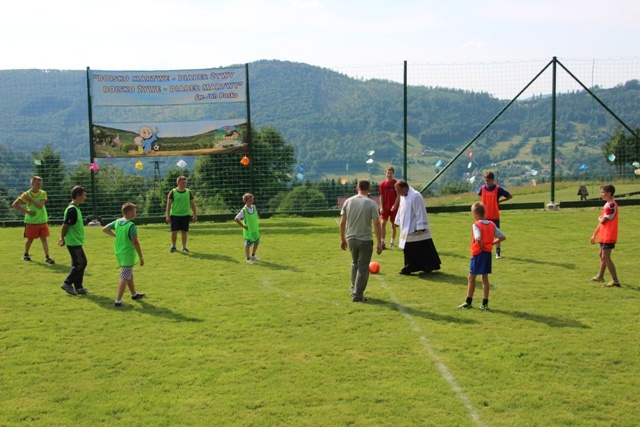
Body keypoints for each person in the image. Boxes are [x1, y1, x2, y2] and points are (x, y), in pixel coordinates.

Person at [340, 180, 383, 302]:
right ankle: (358, 295)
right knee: (363, 267)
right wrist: (380, 243)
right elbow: (376, 223)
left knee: (355, 264)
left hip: (351, 239)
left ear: (356, 188)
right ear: (369, 190)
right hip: (365, 240)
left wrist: (343, 239)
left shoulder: (348, 202)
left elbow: (342, 222)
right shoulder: (371, 203)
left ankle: (354, 289)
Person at [458, 202, 506, 310]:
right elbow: (502, 236)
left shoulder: (476, 225)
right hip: (487, 253)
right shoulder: (491, 224)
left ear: (475, 213)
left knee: (471, 277)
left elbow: (478, 238)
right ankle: (485, 303)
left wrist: (482, 246)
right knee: (485, 278)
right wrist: (491, 243)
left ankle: (468, 301)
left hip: (478, 253)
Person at [102, 202, 146, 307]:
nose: (136, 214)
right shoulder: (131, 226)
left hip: (119, 252)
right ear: (130, 212)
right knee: (125, 276)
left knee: (129, 273)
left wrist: (115, 235)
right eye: (135, 212)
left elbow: (105, 229)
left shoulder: (117, 222)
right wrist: (141, 257)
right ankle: (118, 301)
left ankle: (134, 294)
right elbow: (135, 242)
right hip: (127, 253)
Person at [393, 180, 441, 275]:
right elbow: (400, 209)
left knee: (416, 247)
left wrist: (421, 226)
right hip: (405, 226)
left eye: (398, 190)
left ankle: (413, 267)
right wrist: (397, 221)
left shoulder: (415, 196)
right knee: (410, 247)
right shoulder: (403, 196)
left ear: (405, 188)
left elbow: (420, 211)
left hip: (414, 227)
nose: (397, 193)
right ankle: (420, 266)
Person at [12, 176, 55, 264]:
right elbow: (15, 204)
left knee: (44, 239)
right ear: (32, 184)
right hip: (32, 221)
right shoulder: (26, 194)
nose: (39, 186)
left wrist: (30, 199)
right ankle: (26, 254)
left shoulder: (43, 193)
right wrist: (27, 211)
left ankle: (47, 257)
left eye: (40, 184)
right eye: (37, 184)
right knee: (30, 239)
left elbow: (40, 206)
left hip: (42, 220)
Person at [58, 186, 90, 296]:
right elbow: (65, 225)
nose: (85, 197)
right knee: (81, 263)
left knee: (78, 263)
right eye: (84, 195)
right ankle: (67, 283)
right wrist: (62, 238)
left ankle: (79, 287)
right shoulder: (72, 210)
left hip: (76, 241)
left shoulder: (76, 208)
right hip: (73, 241)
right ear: (77, 195)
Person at [590, 184, 620, 287]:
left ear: (609, 193)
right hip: (604, 235)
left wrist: (599, 218)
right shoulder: (607, 205)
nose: (601, 194)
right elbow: (602, 222)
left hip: (609, 235)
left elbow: (603, 221)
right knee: (601, 255)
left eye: (603, 192)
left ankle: (615, 280)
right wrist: (594, 234)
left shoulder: (611, 205)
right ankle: (600, 276)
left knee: (606, 257)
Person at [478, 171, 512, 259]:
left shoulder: (498, 189)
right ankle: (483, 250)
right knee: (482, 234)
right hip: (484, 216)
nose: (486, 182)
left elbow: (509, 196)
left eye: (488, 180)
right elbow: (479, 195)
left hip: (494, 215)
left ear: (492, 180)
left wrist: (499, 201)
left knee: (497, 235)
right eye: (485, 180)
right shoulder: (482, 188)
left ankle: (498, 253)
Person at [166, 175, 197, 253]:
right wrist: (168, 216)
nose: (184, 184)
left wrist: (195, 214)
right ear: (178, 183)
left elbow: (193, 204)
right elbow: (168, 205)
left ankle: (184, 246)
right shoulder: (172, 192)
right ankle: (173, 246)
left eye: (185, 183)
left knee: (184, 232)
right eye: (183, 183)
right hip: (175, 215)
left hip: (185, 215)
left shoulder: (188, 192)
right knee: (174, 232)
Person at [234, 193, 261, 264]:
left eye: (252, 199)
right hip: (248, 231)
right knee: (247, 245)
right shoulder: (244, 210)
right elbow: (236, 219)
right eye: (250, 200)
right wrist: (243, 226)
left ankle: (253, 255)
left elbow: (256, 216)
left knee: (257, 242)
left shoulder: (254, 207)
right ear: (246, 201)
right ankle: (248, 258)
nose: (252, 201)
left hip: (254, 229)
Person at [378, 166, 400, 249]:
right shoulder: (382, 184)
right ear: (385, 173)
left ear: (393, 173)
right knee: (383, 223)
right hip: (385, 207)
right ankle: (382, 241)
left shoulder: (396, 183)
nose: (389, 174)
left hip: (394, 208)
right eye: (387, 173)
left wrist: (395, 205)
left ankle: (392, 242)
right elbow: (381, 196)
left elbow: (398, 195)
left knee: (393, 225)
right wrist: (381, 207)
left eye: (390, 173)